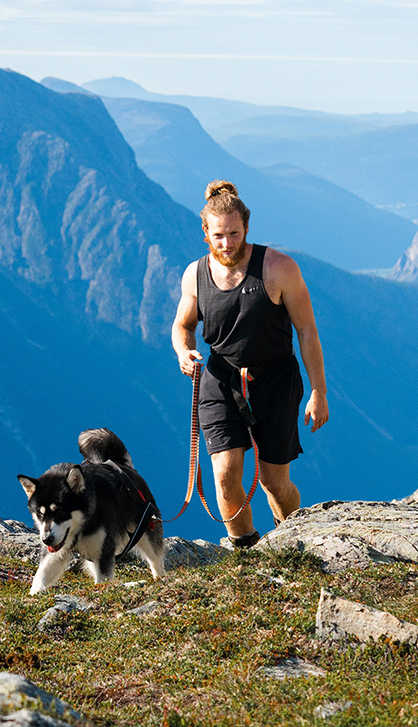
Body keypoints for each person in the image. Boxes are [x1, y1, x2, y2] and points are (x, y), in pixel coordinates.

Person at [172, 180, 329, 548]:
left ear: (246, 228)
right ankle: (245, 552)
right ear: (206, 233)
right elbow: (183, 324)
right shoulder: (195, 275)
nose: (227, 243)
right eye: (219, 235)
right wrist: (184, 351)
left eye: (234, 233)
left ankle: (292, 540)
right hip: (220, 379)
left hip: (275, 379)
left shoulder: (278, 269)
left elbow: (306, 330)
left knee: (276, 482)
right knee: (225, 475)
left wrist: (319, 391)